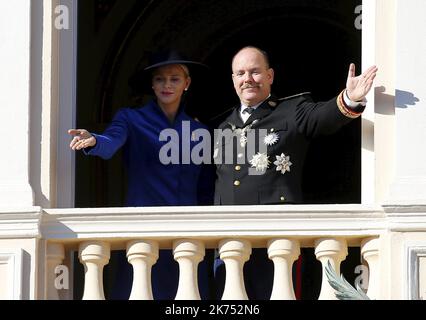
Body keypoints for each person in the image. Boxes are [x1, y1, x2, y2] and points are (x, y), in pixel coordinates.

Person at [213, 46, 378, 299]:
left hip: (276, 240)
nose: (248, 78)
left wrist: (349, 99)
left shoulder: (291, 111)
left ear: (270, 76)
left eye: (255, 72)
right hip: (229, 244)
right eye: (241, 73)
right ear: (233, 79)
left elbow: (323, 117)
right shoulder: (222, 124)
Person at [68, 51, 215, 299]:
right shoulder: (131, 118)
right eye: (159, 79)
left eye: (174, 79)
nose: (166, 85)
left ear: (186, 83)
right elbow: (111, 142)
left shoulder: (199, 130)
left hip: (188, 235)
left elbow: (207, 187)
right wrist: (93, 141)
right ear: (152, 84)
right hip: (145, 231)